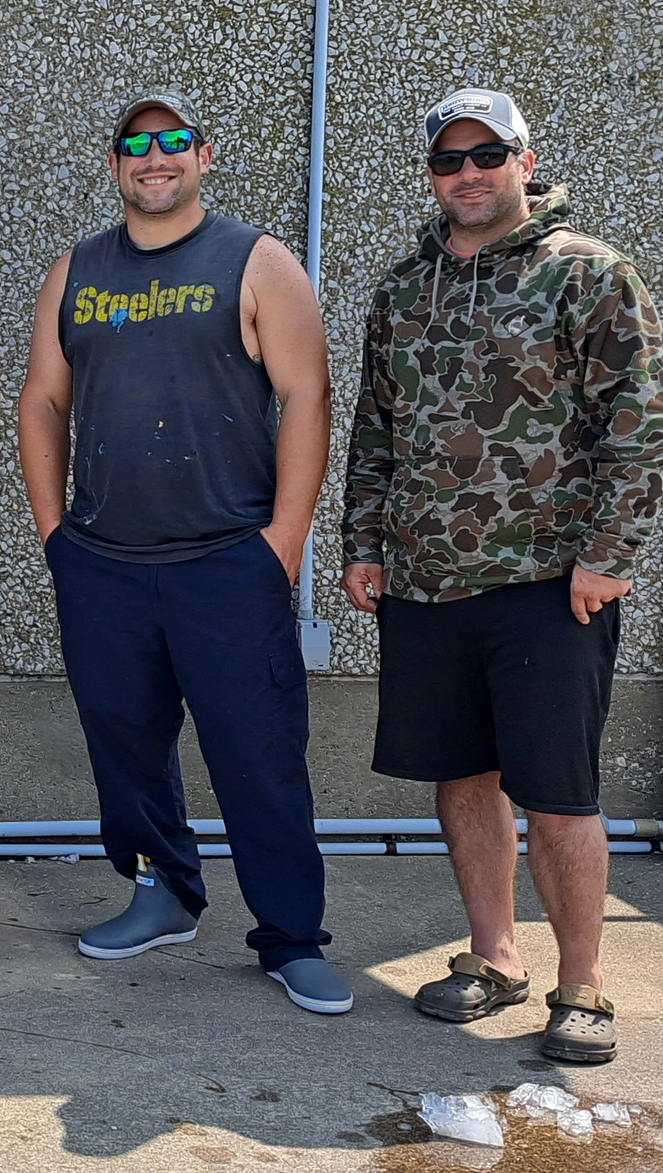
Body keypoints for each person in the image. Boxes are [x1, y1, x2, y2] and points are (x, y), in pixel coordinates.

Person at [342, 88, 663, 1064]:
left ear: (524, 161)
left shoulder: (588, 274)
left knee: (558, 793)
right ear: (430, 175)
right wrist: (363, 543)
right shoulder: (403, 290)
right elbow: (375, 431)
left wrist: (609, 556)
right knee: (463, 777)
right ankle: (493, 957)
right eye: (448, 159)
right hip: (427, 582)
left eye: (487, 154)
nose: (468, 173)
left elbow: (637, 425)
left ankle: (582, 984)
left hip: (546, 581)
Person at [16, 93, 349, 1013]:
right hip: (103, 563)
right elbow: (42, 398)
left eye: (172, 141)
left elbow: (308, 395)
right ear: (114, 163)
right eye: (136, 143)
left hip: (227, 561)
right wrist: (54, 535)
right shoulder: (76, 270)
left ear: (203, 155)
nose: (153, 156)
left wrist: (283, 542)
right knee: (124, 745)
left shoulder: (255, 261)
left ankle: (290, 937)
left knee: (257, 755)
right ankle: (162, 890)